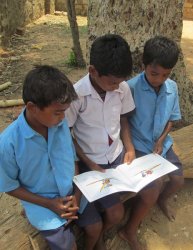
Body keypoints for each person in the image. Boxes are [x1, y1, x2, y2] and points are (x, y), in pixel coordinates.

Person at [0, 65, 87, 250]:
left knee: (95, 226)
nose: (63, 118)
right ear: (32, 107)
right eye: (58, 112)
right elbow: (9, 186)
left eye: (65, 111)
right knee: (67, 246)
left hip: (70, 193)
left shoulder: (60, 124)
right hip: (41, 201)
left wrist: (76, 192)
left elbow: (71, 157)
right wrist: (49, 203)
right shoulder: (8, 143)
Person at [65, 34, 135, 250]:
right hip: (90, 162)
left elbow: (123, 119)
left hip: (115, 156)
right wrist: (90, 163)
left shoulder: (122, 88)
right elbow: (68, 135)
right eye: (113, 82)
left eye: (120, 81)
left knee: (121, 208)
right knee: (110, 214)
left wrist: (130, 148)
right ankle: (97, 239)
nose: (117, 86)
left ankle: (101, 233)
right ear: (93, 71)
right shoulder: (76, 96)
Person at [119, 36, 184, 250]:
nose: (160, 79)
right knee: (151, 189)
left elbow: (172, 119)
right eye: (155, 73)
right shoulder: (130, 88)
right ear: (143, 66)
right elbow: (124, 120)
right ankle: (129, 230)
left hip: (160, 145)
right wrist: (129, 148)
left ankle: (161, 201)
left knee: (177, 180)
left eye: (166, 74)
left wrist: (163, 138)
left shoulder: (171, 88)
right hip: (138, 145)